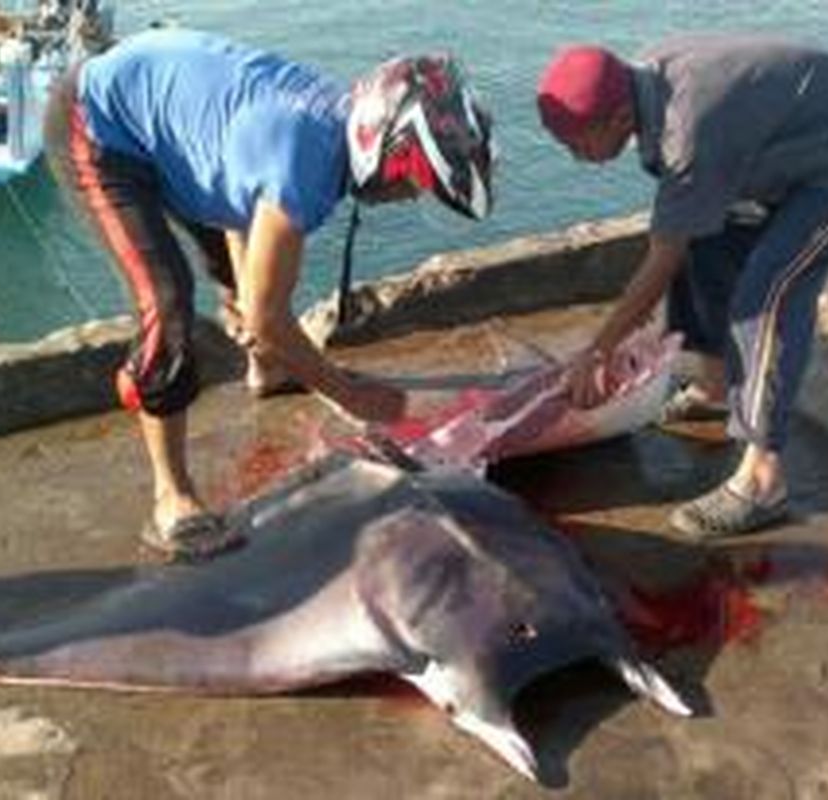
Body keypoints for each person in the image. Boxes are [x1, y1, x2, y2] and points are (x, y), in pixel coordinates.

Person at [45, 28, 494, 558]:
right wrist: (347, 393)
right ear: (384, 152)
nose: (405, 198)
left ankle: (268, 371)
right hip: (95, 124)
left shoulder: (327, 126)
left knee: (255, 282)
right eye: (411, 185)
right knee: (168, 307)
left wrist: (272, 344)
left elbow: (240, 192)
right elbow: (267, 314)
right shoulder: (303, 164)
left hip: (169, 125)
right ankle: (171, 495)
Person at [536, 35, 828, 539]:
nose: (576, 157)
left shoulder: (686, 128)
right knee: (701, 242)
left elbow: (659, 257)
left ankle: (763, 479)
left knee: (768, 294)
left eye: (578, 143)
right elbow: (681, 234)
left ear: (621, 117)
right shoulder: (646, 86)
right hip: (781, 150)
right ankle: (714, 387)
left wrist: (598, 352)